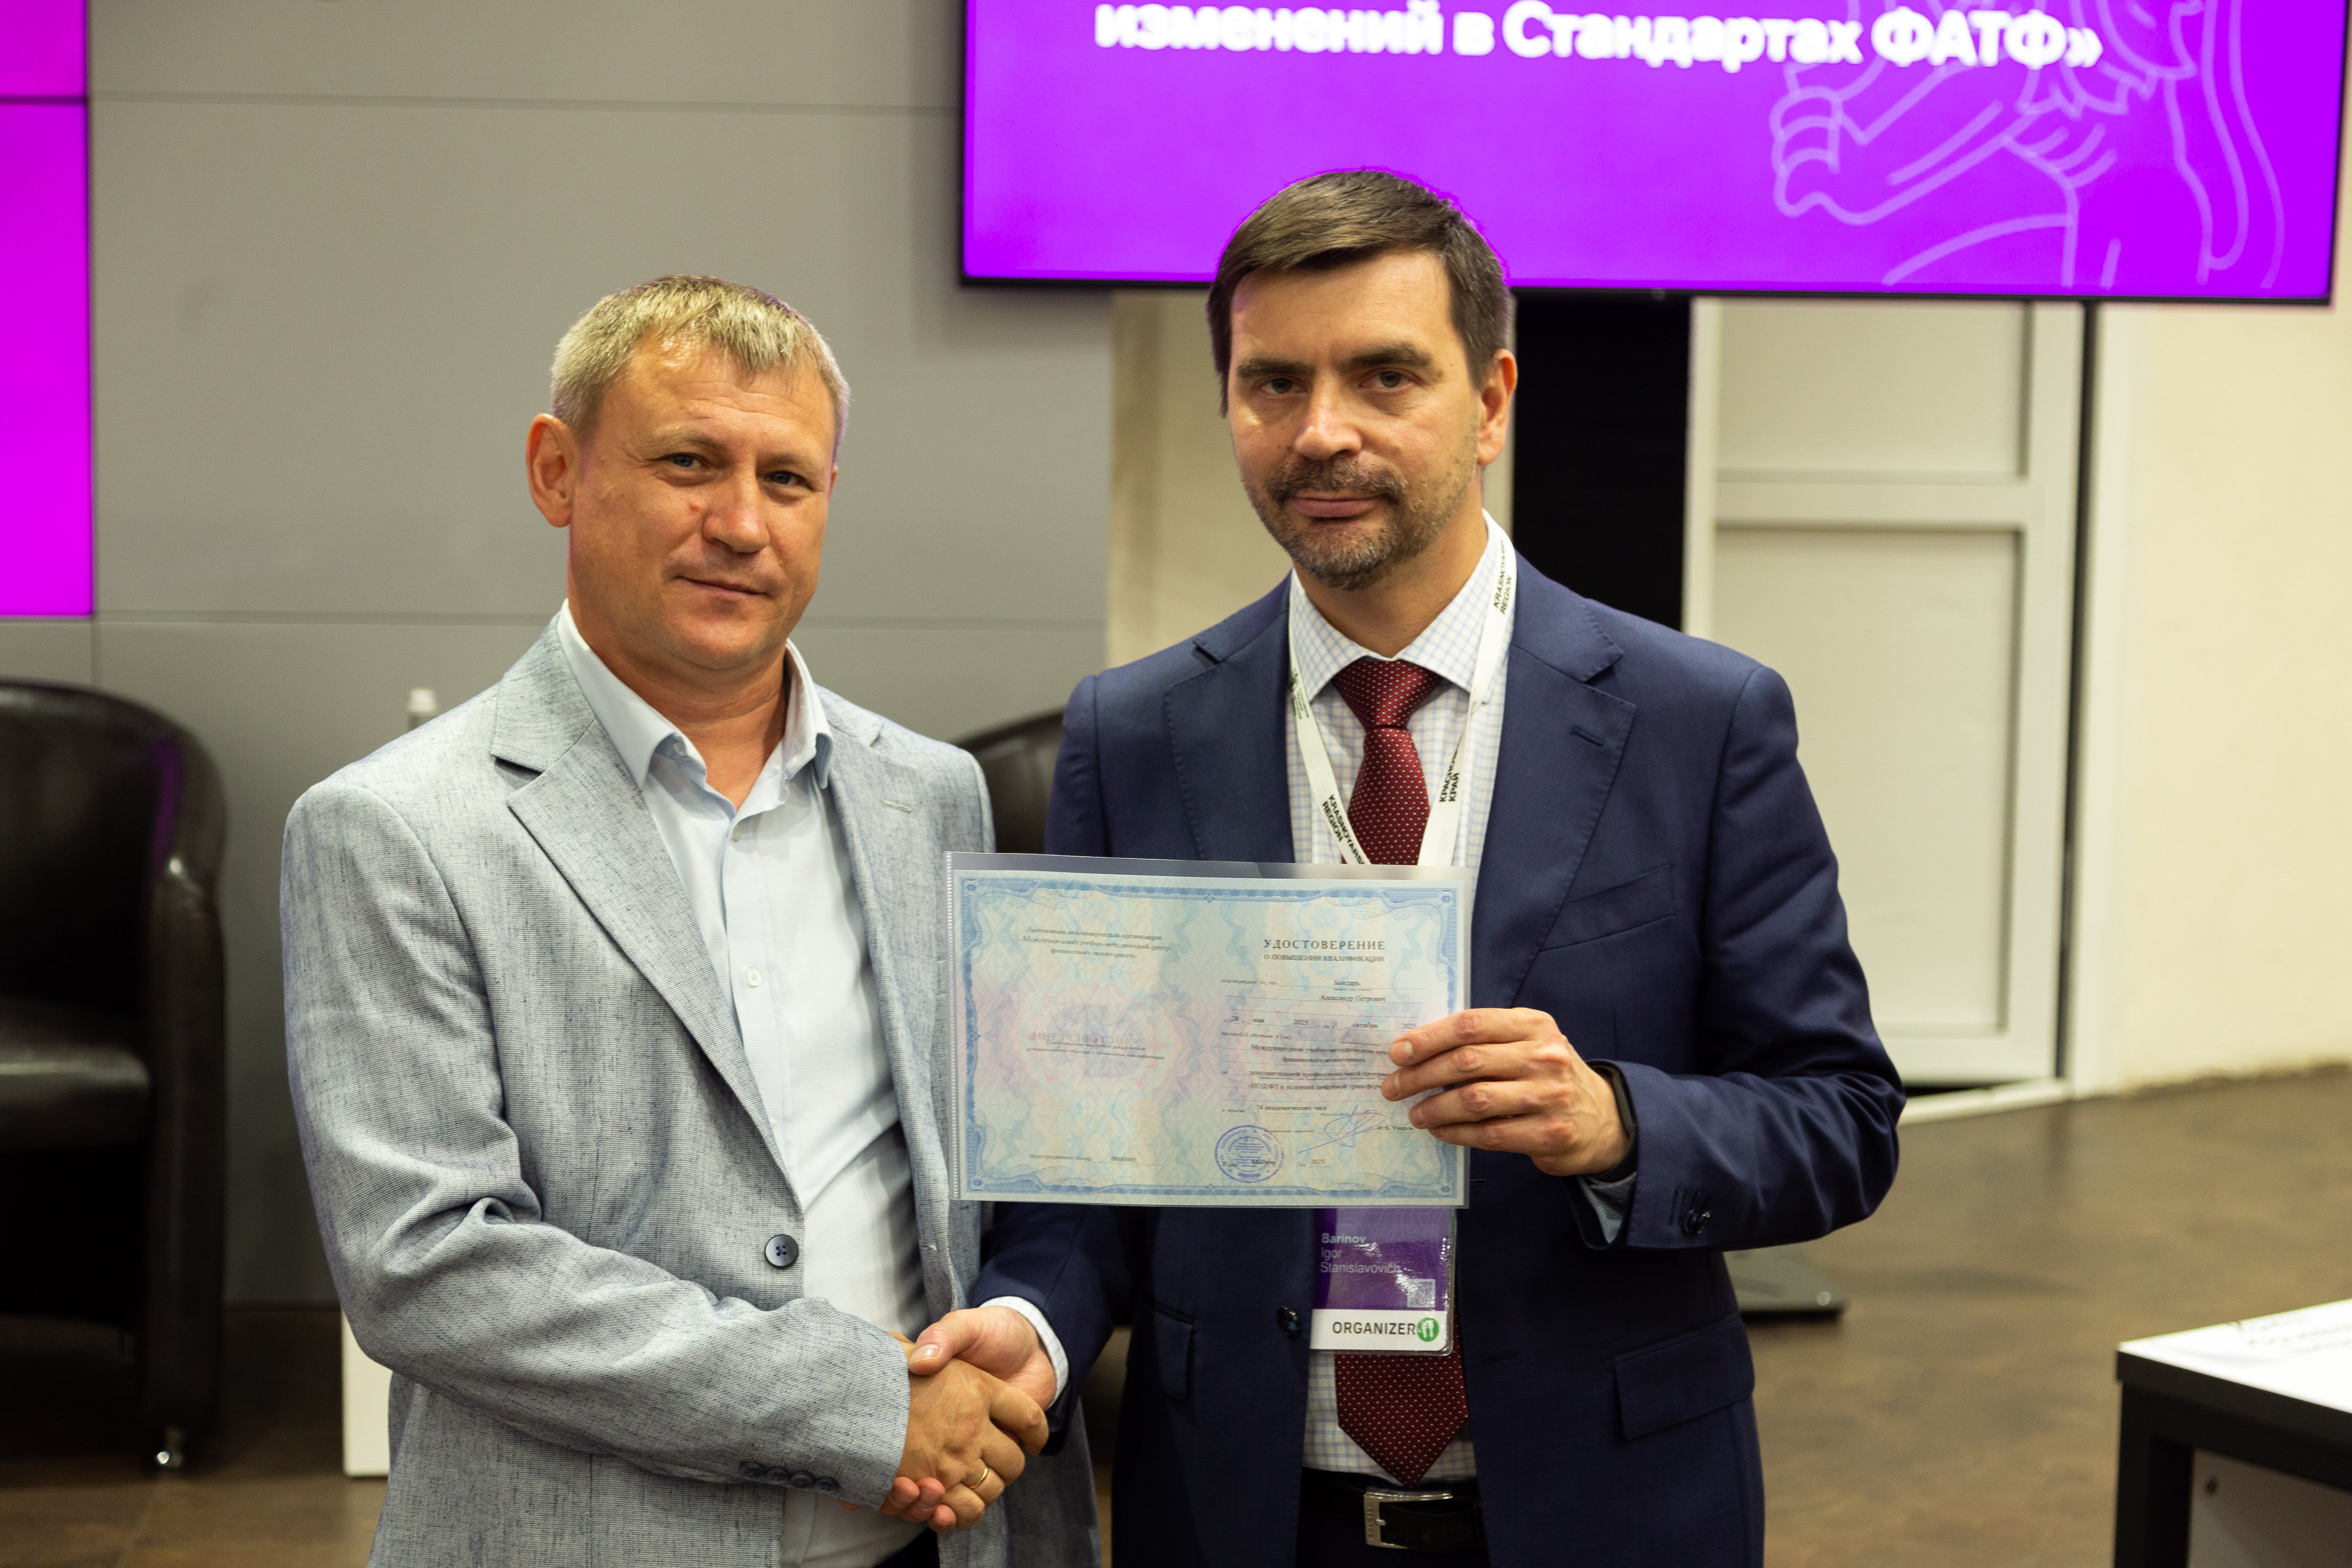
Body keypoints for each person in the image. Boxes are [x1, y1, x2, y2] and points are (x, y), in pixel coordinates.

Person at [913, 173, 1905, 1565]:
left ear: (1491, 401)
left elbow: (1841, 1119)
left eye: (1386, 376)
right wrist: (1035, 1323)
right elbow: (1084, 1162)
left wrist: (1618, 1123)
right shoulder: (1133, 737)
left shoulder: (1698, 721)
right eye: (1274, 384)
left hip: (1604, 1510)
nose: (1323, 431)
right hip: (1243, 1517)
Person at [281, 277, 1096, 1568]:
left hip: (939, 1539)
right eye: (688, 464)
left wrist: (1030, 1322)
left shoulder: (933, 794)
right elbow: (427, 1267)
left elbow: (998, 1177)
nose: (742, 524)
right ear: (558, 471)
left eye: (789, 479)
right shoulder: (394, 828)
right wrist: (863, 1407)